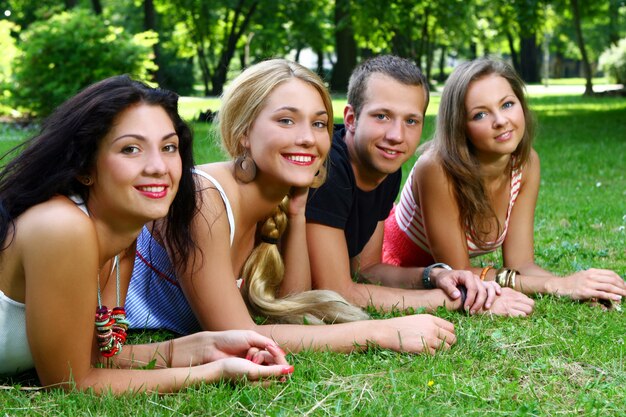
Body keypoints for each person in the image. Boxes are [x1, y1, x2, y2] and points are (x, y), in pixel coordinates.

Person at [125, 58, 457, 354]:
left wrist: (296, 214)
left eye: (318, 124)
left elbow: (290, 302)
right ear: (244, 133)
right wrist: (379, 332)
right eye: (286, 121)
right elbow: (240, 335)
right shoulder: (205, 199)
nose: (308, 139)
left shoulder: (281, 202)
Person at [0, 75, 292, 392]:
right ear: (85, 167)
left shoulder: (123, 236)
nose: (158, 166)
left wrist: (208, 346)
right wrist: (215, 372)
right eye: (131, 149)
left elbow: (101, 357)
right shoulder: (60, 226)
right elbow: (71, 381)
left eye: (169, 147)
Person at [382, 58, 625, 306]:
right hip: (395, 269)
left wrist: (578, 288)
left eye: (507, 104)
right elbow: (461, 274)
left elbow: (520, 264)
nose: (500, 120)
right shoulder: (435, 168)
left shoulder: (526, 163)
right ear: (459, 127)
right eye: (480, 114)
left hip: (439, 275)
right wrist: (557, 285)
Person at [306, 55, 534, 317]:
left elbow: (366, 271)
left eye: (411, 121)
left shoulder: (385, 167)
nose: (396, 136)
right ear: (351, 118)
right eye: (382, 116)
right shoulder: (329, 170)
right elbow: (336, 294)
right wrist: (458, 299)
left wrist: (433, 276)